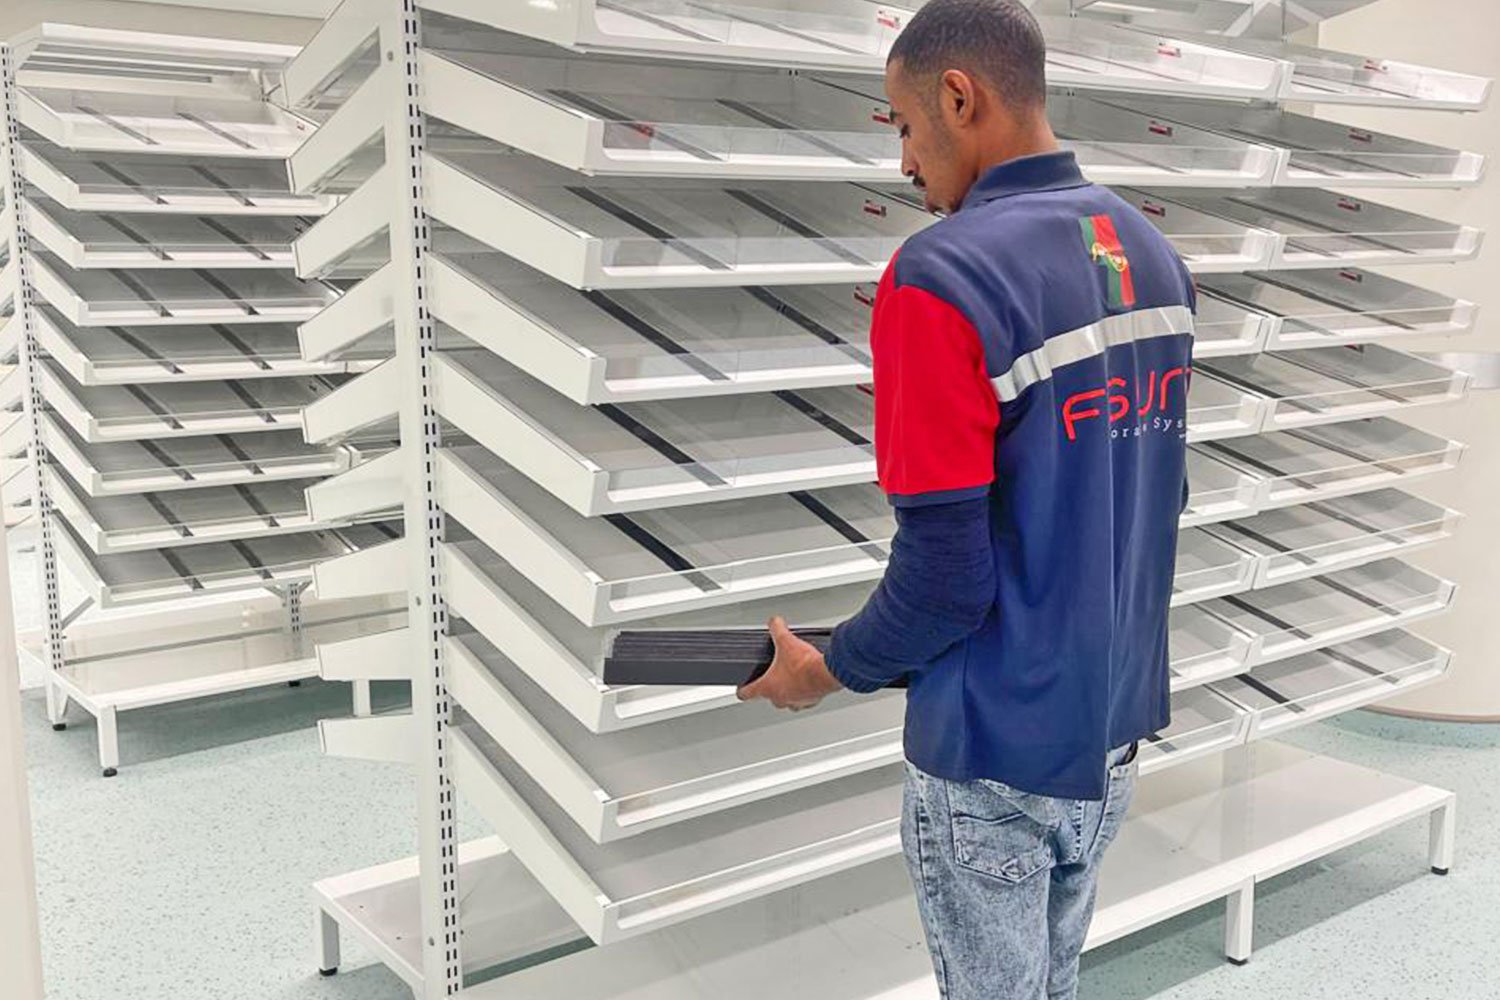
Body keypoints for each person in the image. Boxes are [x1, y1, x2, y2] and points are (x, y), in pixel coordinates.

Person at [735, 1, 1197, 997]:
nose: (904, 162)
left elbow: (945, 581)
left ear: (958, 97)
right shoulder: (1151, 254)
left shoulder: (940, 278)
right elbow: (1150, 499)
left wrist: (825, 670)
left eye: (904, 126)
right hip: (1110, 731)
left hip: (994, 754)